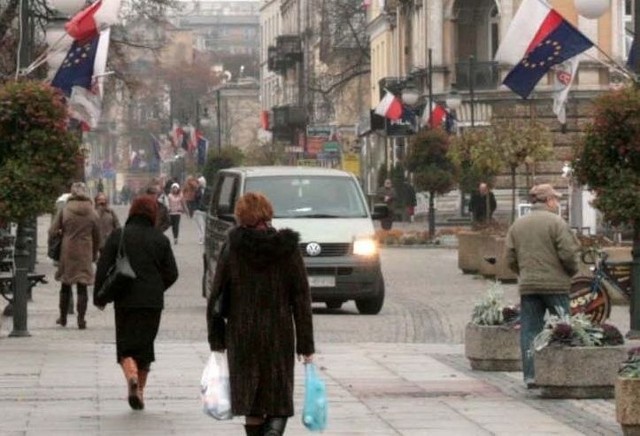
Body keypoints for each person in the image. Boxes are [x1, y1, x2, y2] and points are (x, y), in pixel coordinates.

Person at [206, 192, 315, 436]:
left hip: (242, 333)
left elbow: (217, 294)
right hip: (278, 333)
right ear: (268, 212)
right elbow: (300, 297)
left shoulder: (233, 247)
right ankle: (274, 432)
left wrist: (216, 339)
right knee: (278, 396)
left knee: (251, 402)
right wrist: (305, 345)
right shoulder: (286, 248)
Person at [94, 195, 178, 410]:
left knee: (126, 345)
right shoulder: (160, 239)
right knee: (145, 346)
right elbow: (172, 273)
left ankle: (131, 374)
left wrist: (100, 296)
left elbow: (103, 268)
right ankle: (140, 390)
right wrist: (158, 287)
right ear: (153, 213)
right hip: (152, 301)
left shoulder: (119, 236)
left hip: (125, 299)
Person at [504, 183, 580, 389]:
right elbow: (569, 254)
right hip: (556, 285)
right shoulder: (557, 223)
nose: (557, 203)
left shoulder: (518, 225)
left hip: (529, 285)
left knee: (529, 329)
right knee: (564, 327)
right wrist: (571, 271)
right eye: (555, 199)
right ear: (548, 201)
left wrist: (524, 273)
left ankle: (531, 374)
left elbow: (510, 257)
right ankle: (563, 372)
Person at [49, 182, 100, 330]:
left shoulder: (65, 210)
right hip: (85, 251)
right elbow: (97, 236)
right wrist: (94, 252)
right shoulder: (92, 211)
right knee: (82, 286)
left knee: (65, 285)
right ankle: (81, 320)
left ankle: (63, 317)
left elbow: (53, 231)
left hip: (68, 250)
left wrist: (61, 234)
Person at [193, 176, 207, 244]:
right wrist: (195, 209)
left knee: (204, 225)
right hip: (198, 210)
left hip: (206, 210)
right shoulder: (197, 191)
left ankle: (204, 238)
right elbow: (194, 200)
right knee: (200, 225)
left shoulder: (208, 190)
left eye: (199, 182)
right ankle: (201, 238)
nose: (198, 184)